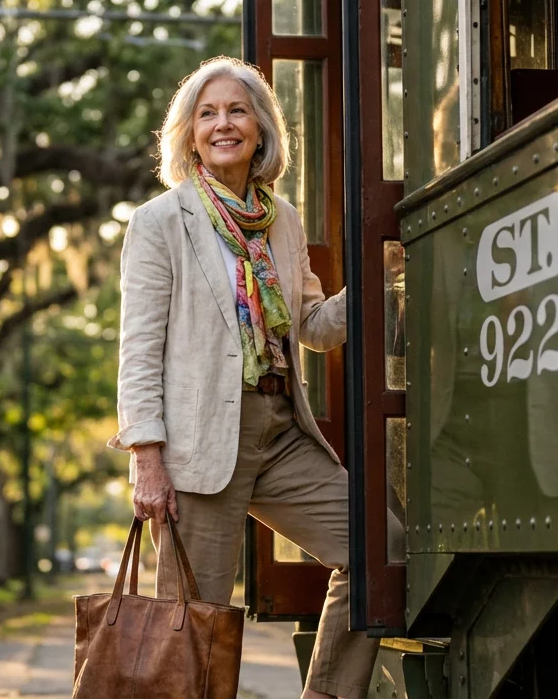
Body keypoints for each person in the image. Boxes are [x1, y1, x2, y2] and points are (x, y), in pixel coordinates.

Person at [108, 56, 379, 699]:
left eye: (236, 110)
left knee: (378, 553)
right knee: (192, 626)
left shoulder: (281, 220)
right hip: (197, 444)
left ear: (260, 127)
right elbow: (139, 350)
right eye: (207, 113)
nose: (223, 123)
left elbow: (312, 325)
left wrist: (379, 278)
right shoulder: (160, 222)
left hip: (278, 430)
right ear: (189, 133)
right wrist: (147, 459)